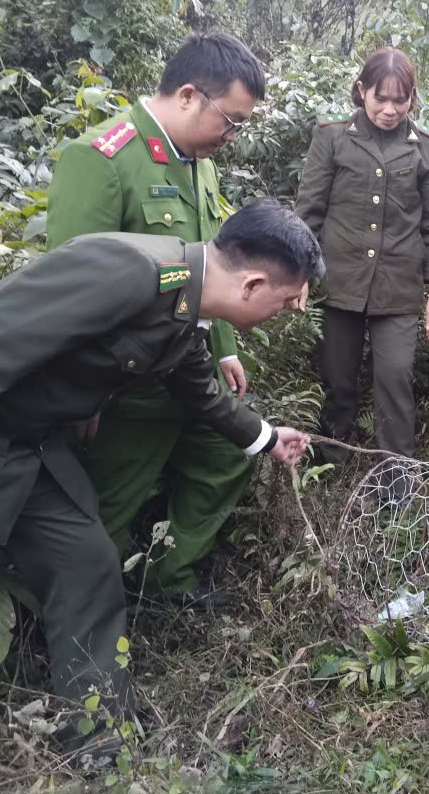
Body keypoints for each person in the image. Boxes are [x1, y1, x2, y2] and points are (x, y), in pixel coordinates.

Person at [0, 200, 320, 794]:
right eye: (288, 301)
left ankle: (101, 745)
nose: (288, 313)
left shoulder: (181, 301)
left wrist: (263, 437)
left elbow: (192, 384)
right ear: (254, 284)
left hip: (24, 449)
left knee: (88, 567)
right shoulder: (122, 272)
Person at [46, 32, 278, 608]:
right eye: (231, 120)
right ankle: (69, 620)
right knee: (103, 507)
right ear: (188, 95)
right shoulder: (102, 160)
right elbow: (68, 296)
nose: (233, 136)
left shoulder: (198, 164)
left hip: (190, 368)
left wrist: (224, 344)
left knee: (229, 453)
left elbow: (214, 267)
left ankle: (166, 579)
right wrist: (82, 396)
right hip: (128, 383)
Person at [294, 48, 429, 458]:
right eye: (380, 98)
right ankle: (330, 465)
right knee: (337, 381)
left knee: (396, 379)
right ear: (361, 90)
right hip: (339, 281)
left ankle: (396, 477)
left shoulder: (427, 150)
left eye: (400, 100)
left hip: (398, 289)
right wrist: (297, 276)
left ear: (412, 98)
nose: (389, 109)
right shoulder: (332, 137)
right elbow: (308, 213)